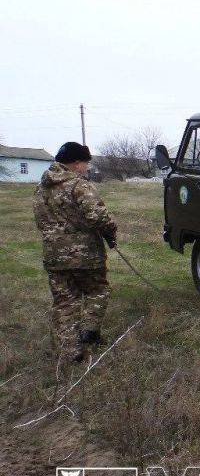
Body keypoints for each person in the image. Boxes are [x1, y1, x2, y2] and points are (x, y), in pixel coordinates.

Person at [33, 142, 118, 367]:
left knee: (64, 302)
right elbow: (98, 217)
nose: (87, 168)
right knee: (98, 290)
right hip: (85, 256)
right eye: (86, 163)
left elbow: (40, 220)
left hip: (54, 255)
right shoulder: (79, 185)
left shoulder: (42, 187)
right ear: (76, 162)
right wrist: (111, 233)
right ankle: (90, 332)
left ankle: (71, 352)